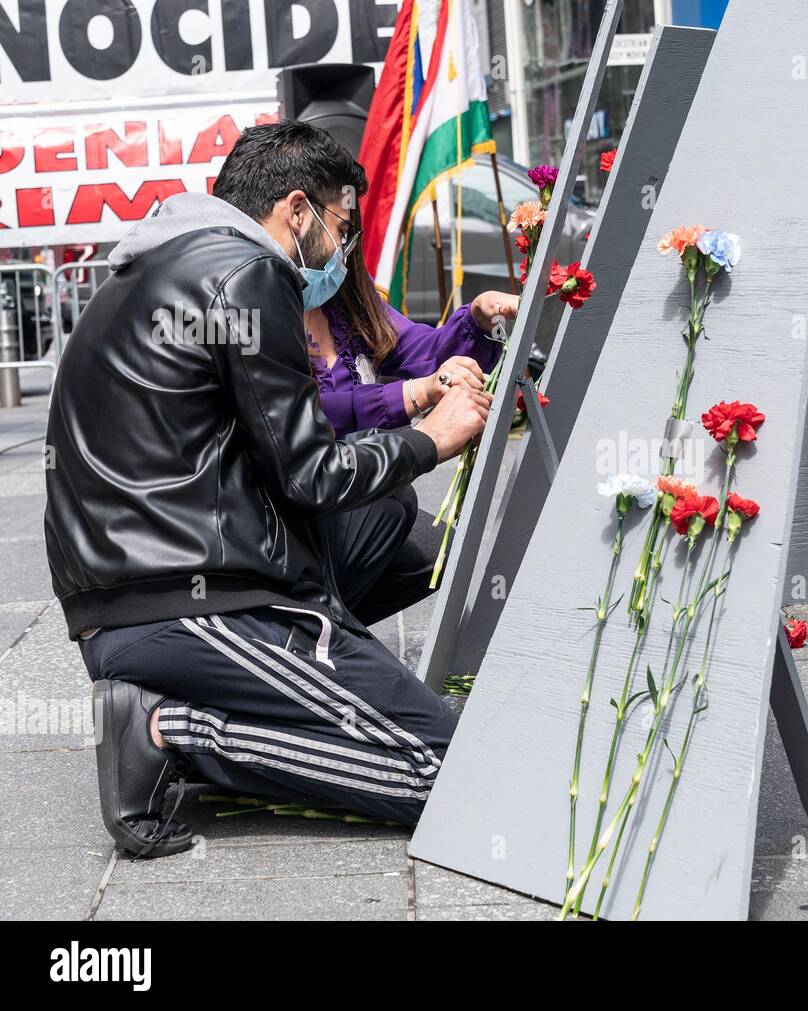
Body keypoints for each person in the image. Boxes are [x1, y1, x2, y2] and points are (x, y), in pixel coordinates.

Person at [45, 120, 493, 857]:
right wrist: (430, 438)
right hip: (188, 604)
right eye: (340, 226)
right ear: (296, 210)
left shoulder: (159, 261)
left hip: (134, 593)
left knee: (398, 530)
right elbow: (309, 471)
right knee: (448, 770)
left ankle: (278, 690)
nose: (340, 252)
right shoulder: (250, 273)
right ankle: (170, 727)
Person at [305, 220, 518, 623]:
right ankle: (304, 637)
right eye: (335, 226)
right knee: (390, 502)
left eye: (347, 233)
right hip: (295, 503)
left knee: (432, 549)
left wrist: (478, 319)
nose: (341, 245)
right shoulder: (258, 310)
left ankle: (334, 628)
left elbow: (420, 349)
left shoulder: (345, 296)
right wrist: (416, 395)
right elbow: (312, 412)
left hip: (350, 492)